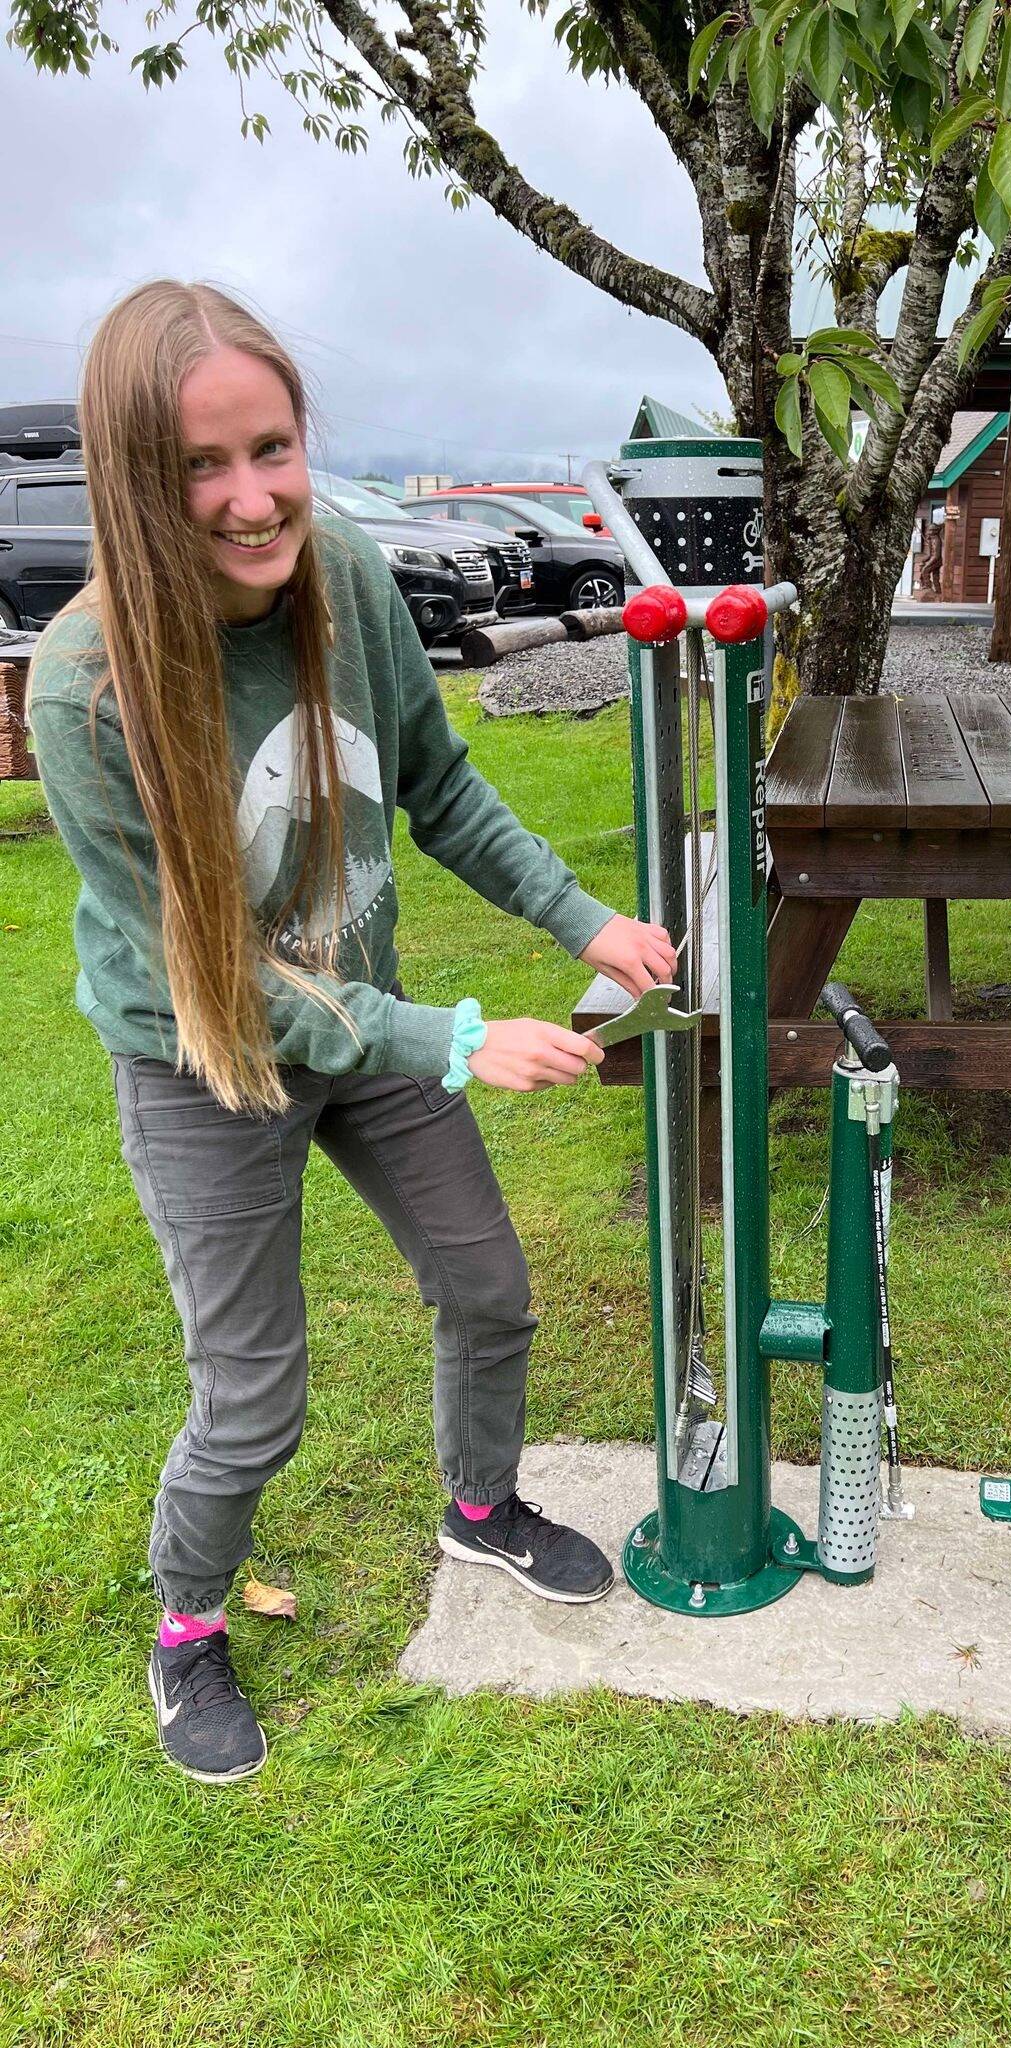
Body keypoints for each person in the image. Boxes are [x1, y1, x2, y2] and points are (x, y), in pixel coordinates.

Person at [28, 281, 676, 1785]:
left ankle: (479, 1506)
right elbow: (227, 976)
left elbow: (438, 783)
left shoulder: (346, 577)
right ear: (131, 477)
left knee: (489, 1289)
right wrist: (450, 1041)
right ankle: (187, 1630)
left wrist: (579, 919)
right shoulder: (87, 689)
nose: (251, 500)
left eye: (273, 448)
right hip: (208, 1060)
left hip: (369, 1035)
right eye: (200, 467)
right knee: (251, 1399)